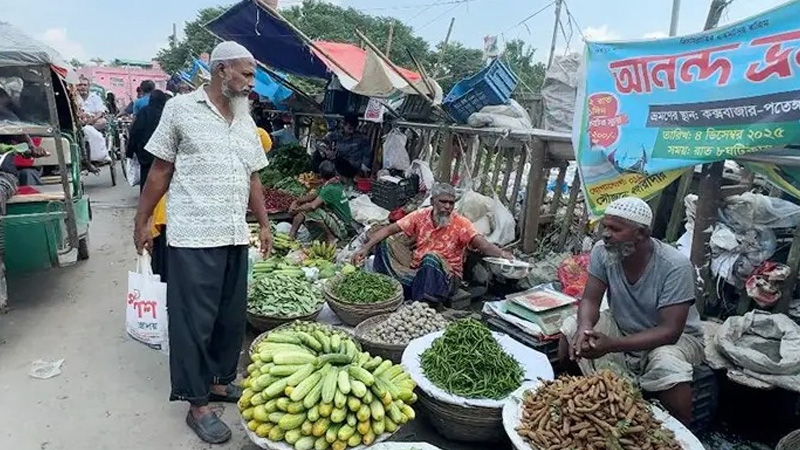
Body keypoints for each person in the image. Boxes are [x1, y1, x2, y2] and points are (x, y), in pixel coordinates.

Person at [133, 41, 272, 444]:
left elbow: (253, 177)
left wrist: (262, 225)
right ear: (222, 70)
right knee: (193, 322)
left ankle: (218, 381)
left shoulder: (245, 119)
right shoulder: (180, 109)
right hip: (193, 235)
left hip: (233, 234)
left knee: (229, 317)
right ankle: (196, 403)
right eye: (246, 73)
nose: (251, 82)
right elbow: (160, 170)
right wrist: (142, 220)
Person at [557, 196, 704, 426]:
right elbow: (590, 301)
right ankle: (573, 397)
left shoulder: (674, 265)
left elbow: (670, 331)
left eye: (616, 229)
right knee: (571, 328)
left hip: (677, 339)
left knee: (667, 364)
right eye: (606, 226)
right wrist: (585, 328)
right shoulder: (602, 251)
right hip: (622, 326)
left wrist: (612, 345)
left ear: (641, 234)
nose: (606, 234)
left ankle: (683, 429)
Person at [352, 183, 513, 304]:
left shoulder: (461, 224)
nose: (447, 207)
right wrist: (365, 248)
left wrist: (503, 254)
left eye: (451, 203)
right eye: (443, 202)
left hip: (446, 278)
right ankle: (392, 287)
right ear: (432, 201)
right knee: (385, 244)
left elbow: (482, 245)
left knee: (431, 258)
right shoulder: (420, 215)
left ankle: (422, 303)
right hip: (418, 271)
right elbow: (388, 230)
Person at [289, 160, 355, 243]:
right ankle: (292, 235)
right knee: (304, 208)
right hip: (341, 222)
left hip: (343, 228)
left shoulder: (329, 189)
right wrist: (297, 201)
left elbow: (313, 206)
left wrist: (296, 210)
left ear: (321, 175)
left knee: (310, 210)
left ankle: (331, 237)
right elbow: (313, 196)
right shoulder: (334, 182)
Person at [127, 90, 168, 190]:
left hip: (145, 152)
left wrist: (130, 151)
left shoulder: (144, 112)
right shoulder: (166, 112)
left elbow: (135, 131)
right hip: (163, 153)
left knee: (145, 179)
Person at [313, 114, 371, 180]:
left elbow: (367, 155)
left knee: (340, 162)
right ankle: (316, 177)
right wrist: (327, 151)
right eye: (349, 128)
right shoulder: (336, 135)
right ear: (344, 125)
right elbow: (320, 142)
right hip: (337, 162)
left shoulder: (361, 138)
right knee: (317, 155)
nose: (352, 131)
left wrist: (363, 170)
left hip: (351, 167)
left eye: (354, 128)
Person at [75, 77, 110, 162]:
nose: (82, 87)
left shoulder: (95, 97)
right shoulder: (74, 97)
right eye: (80, 85)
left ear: (88, 86)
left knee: (103, 122)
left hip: (94, 121)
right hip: (80, 121)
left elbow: (100, 111)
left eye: (85, 85)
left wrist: (92, 120)